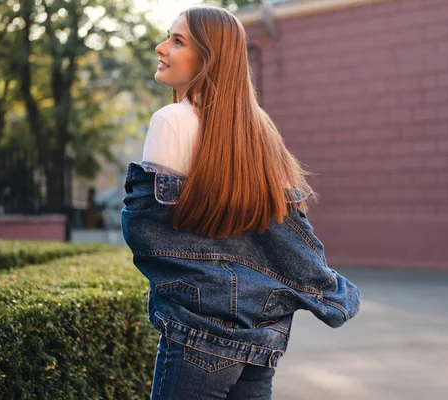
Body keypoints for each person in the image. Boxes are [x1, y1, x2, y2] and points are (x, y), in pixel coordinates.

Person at [121, 5, 361, 400]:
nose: (161, 48)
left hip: (198, 332)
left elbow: (150, 234)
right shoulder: (260, 133)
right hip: (261, 335)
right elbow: (284, 237)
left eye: (177, 41)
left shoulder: (172, 121)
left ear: (208, 58)